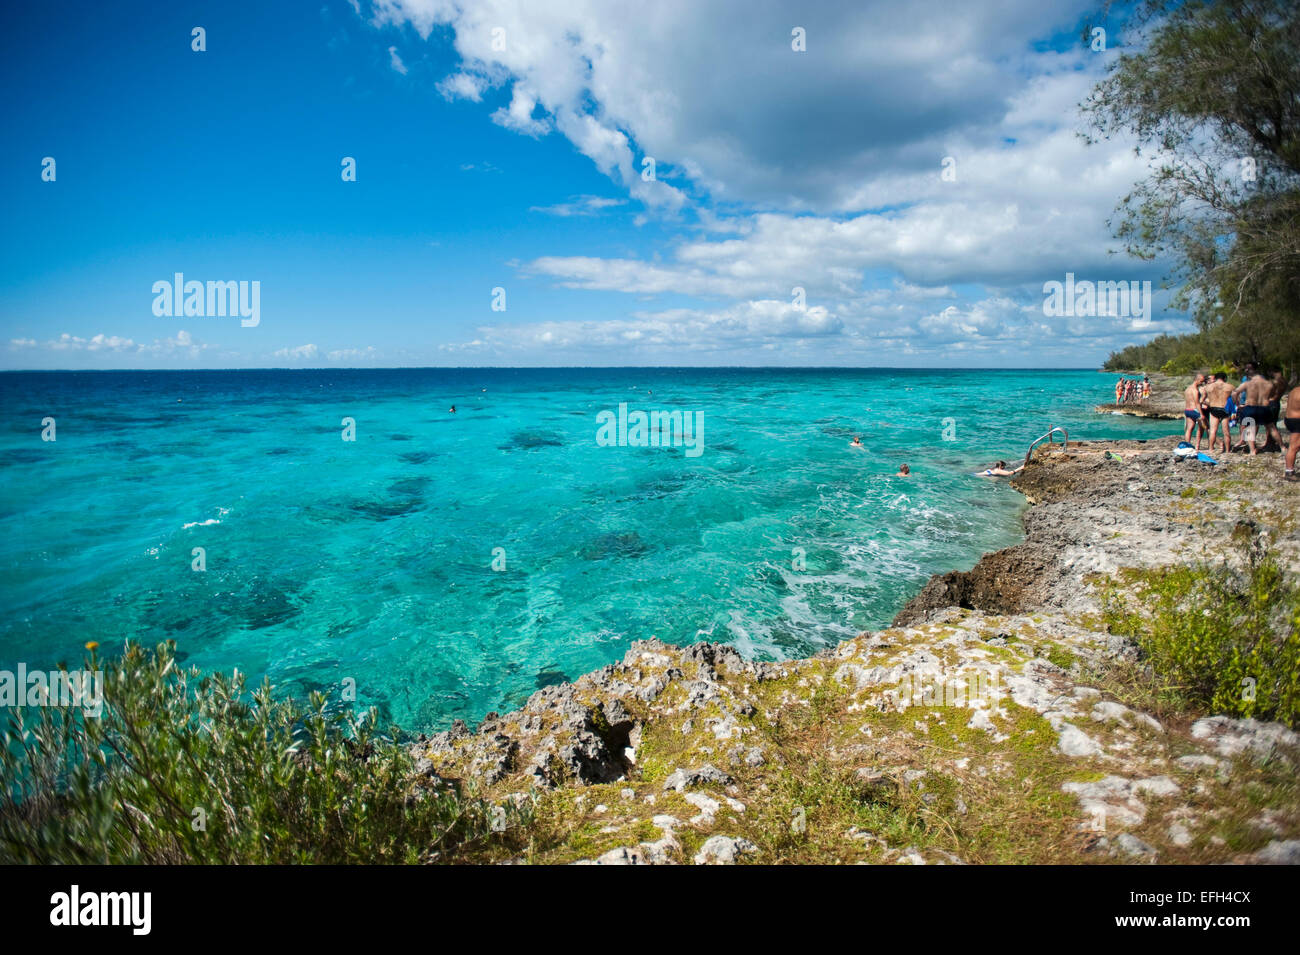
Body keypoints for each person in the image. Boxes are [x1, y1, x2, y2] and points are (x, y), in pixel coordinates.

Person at [1234, 369, 1282, 455]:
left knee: (1249, 428)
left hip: (1250, 407)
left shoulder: (1247, 383)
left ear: (1251, 376)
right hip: (1264, 407)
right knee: (1271, 427)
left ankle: (1252, 450)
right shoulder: (1269, 384)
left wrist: (1237, 404)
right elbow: (1273, 395)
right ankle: (1283, 447)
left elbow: (1234, 393)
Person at [1204, 373, 1235, 456]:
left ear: (1216, 378)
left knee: (1213, 431)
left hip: (1214, 409)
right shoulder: (1230, 387)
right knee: (1226, 432)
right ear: (1224, 378)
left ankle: (1210, 449)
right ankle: (1227, 450)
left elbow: (1202, 400)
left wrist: (1209, 403)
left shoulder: (1208, 387)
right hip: (1225, 409)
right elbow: (1235, 399)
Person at [1183, 373, 1208, 448]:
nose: (1202, 383)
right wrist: (1201, 414)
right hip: (1194, 410)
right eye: (1201, 381)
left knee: (1189, 429)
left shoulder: (1187, 389)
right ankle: (1219, 444)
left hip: (1187, 410)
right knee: (1205, 427)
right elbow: (1197, 403)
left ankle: (1187, 445)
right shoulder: (1195, 390)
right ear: (1196, 380)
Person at [1284, 385, 1299, 481]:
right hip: (1297, 421)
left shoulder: (1295, 390)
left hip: (1289, 419)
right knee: (1294, 447)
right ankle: (1289, 472)